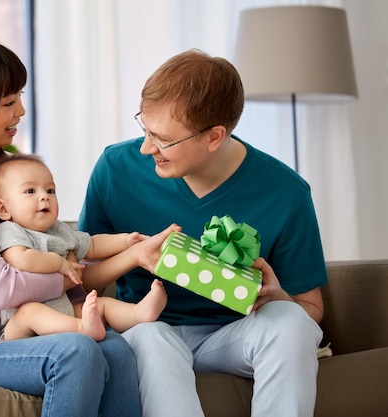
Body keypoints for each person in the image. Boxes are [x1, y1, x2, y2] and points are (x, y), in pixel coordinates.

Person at [0, 32, 177, 417]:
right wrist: (66, 275)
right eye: (7, 103)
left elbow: (70, 269)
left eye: (19, 99)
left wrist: (132, 254)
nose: (20, 113)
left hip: (35, 329)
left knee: (116, 348)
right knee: (76, 349)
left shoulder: (14, 177)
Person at [79, 49, 327, 417]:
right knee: (151, 339)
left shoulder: (285, 191)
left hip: (234, 335)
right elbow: (79, 279)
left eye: (162, 139)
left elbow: (311, 310)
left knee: (291, 323)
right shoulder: (116, 169)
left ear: (214, 136)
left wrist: (278, 298)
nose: (148, 148)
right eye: (144, 129)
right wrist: (134, 254)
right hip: (148, 328)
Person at [0, 153, 167, 342]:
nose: (44, 197)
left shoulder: (58, 229)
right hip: (20, 328)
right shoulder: (11, 230)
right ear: (3, 209)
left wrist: (125, 241)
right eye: (30, 191)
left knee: (99, 305)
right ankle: (82, 328)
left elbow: (93, 244)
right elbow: (22, 259)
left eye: (50, 190)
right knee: (30, 311)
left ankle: (139, 313)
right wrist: (59, 263)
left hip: (64, 312)